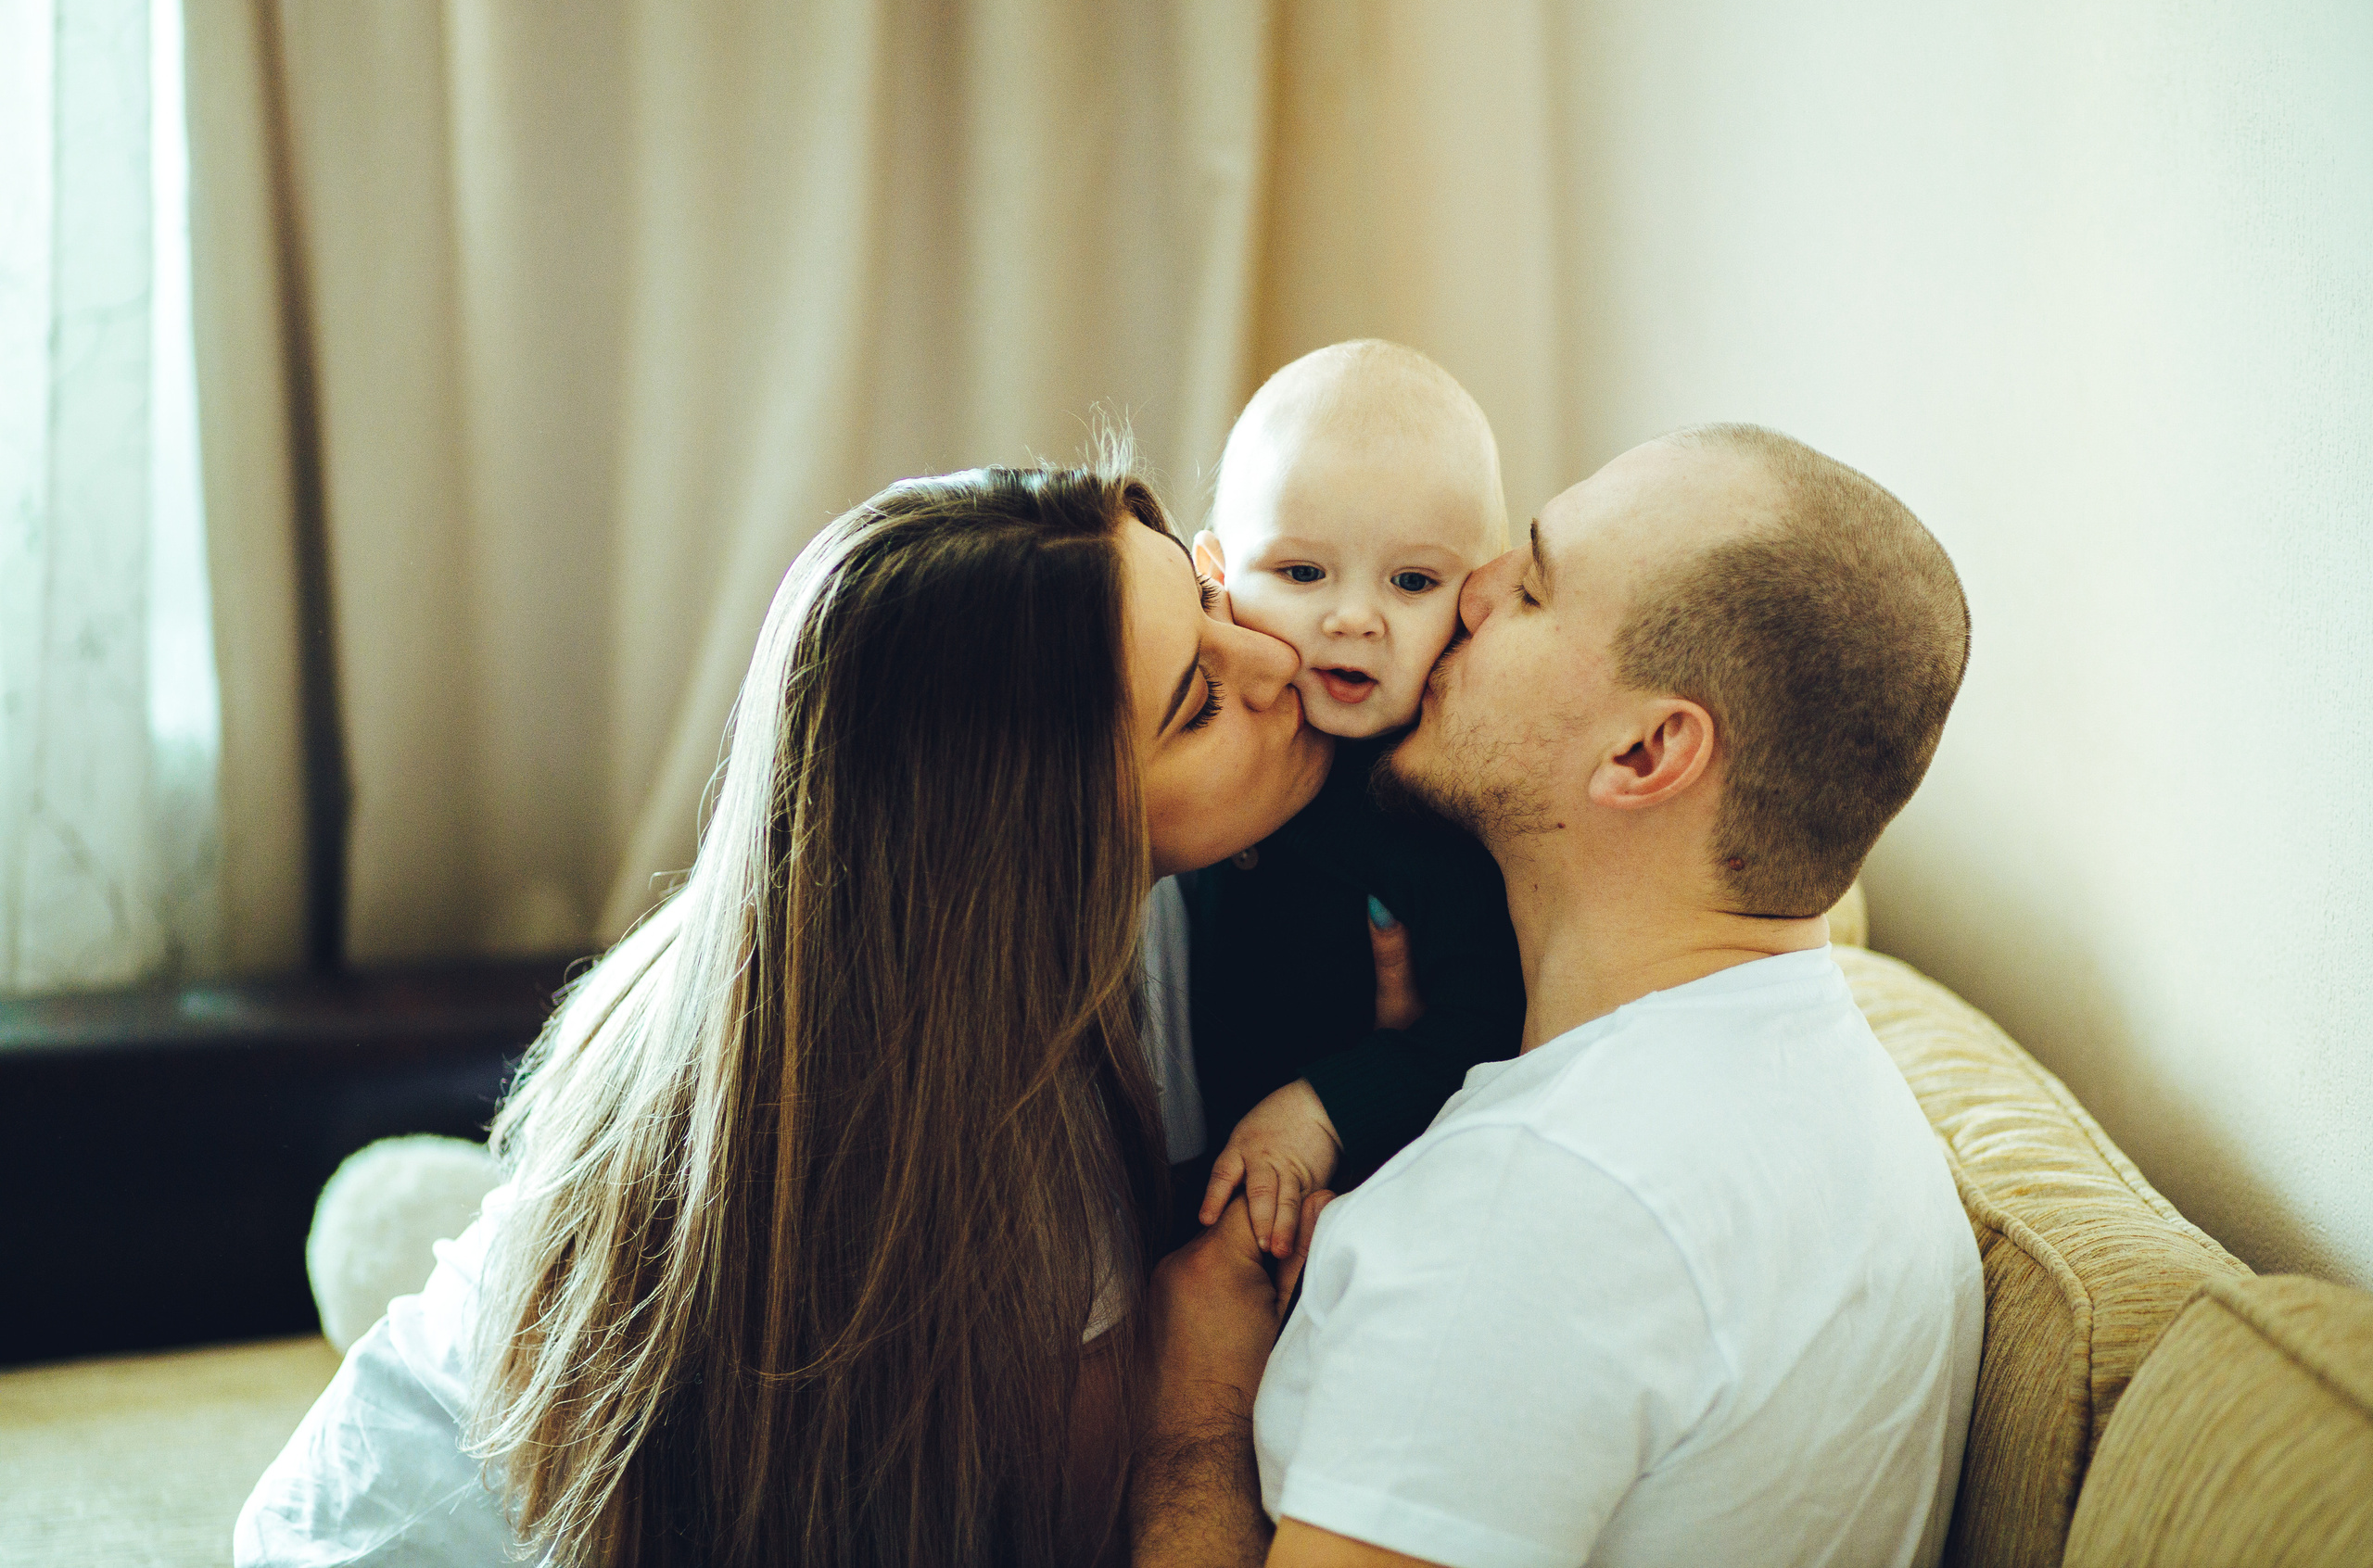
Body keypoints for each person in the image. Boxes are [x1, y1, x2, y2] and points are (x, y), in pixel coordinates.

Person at [236, 456, 1330, 1567]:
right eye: (1198, 701)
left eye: (1202, 593)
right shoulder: (988, 1148)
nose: (1279, 653)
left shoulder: (825, 944)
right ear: (1041, 845)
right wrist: (1199, 1389)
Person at [1135, 424, 1987, 1568]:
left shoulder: (1535, 1214)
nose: (1469, 594)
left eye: (1530, 585)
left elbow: (1538, 1273)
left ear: (1645, 756)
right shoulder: (1842, 1101)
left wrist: (1194, 1405)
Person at [1182, 340, 1525, 1257]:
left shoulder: (1436, 808)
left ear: (1476, 597)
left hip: (1330, 1182)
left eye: (1411, 582)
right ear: (1215, 577)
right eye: (1301, 573)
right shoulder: (1179, 732)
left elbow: (1485, 1025)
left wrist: (1325, 1109)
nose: (1353, 617)